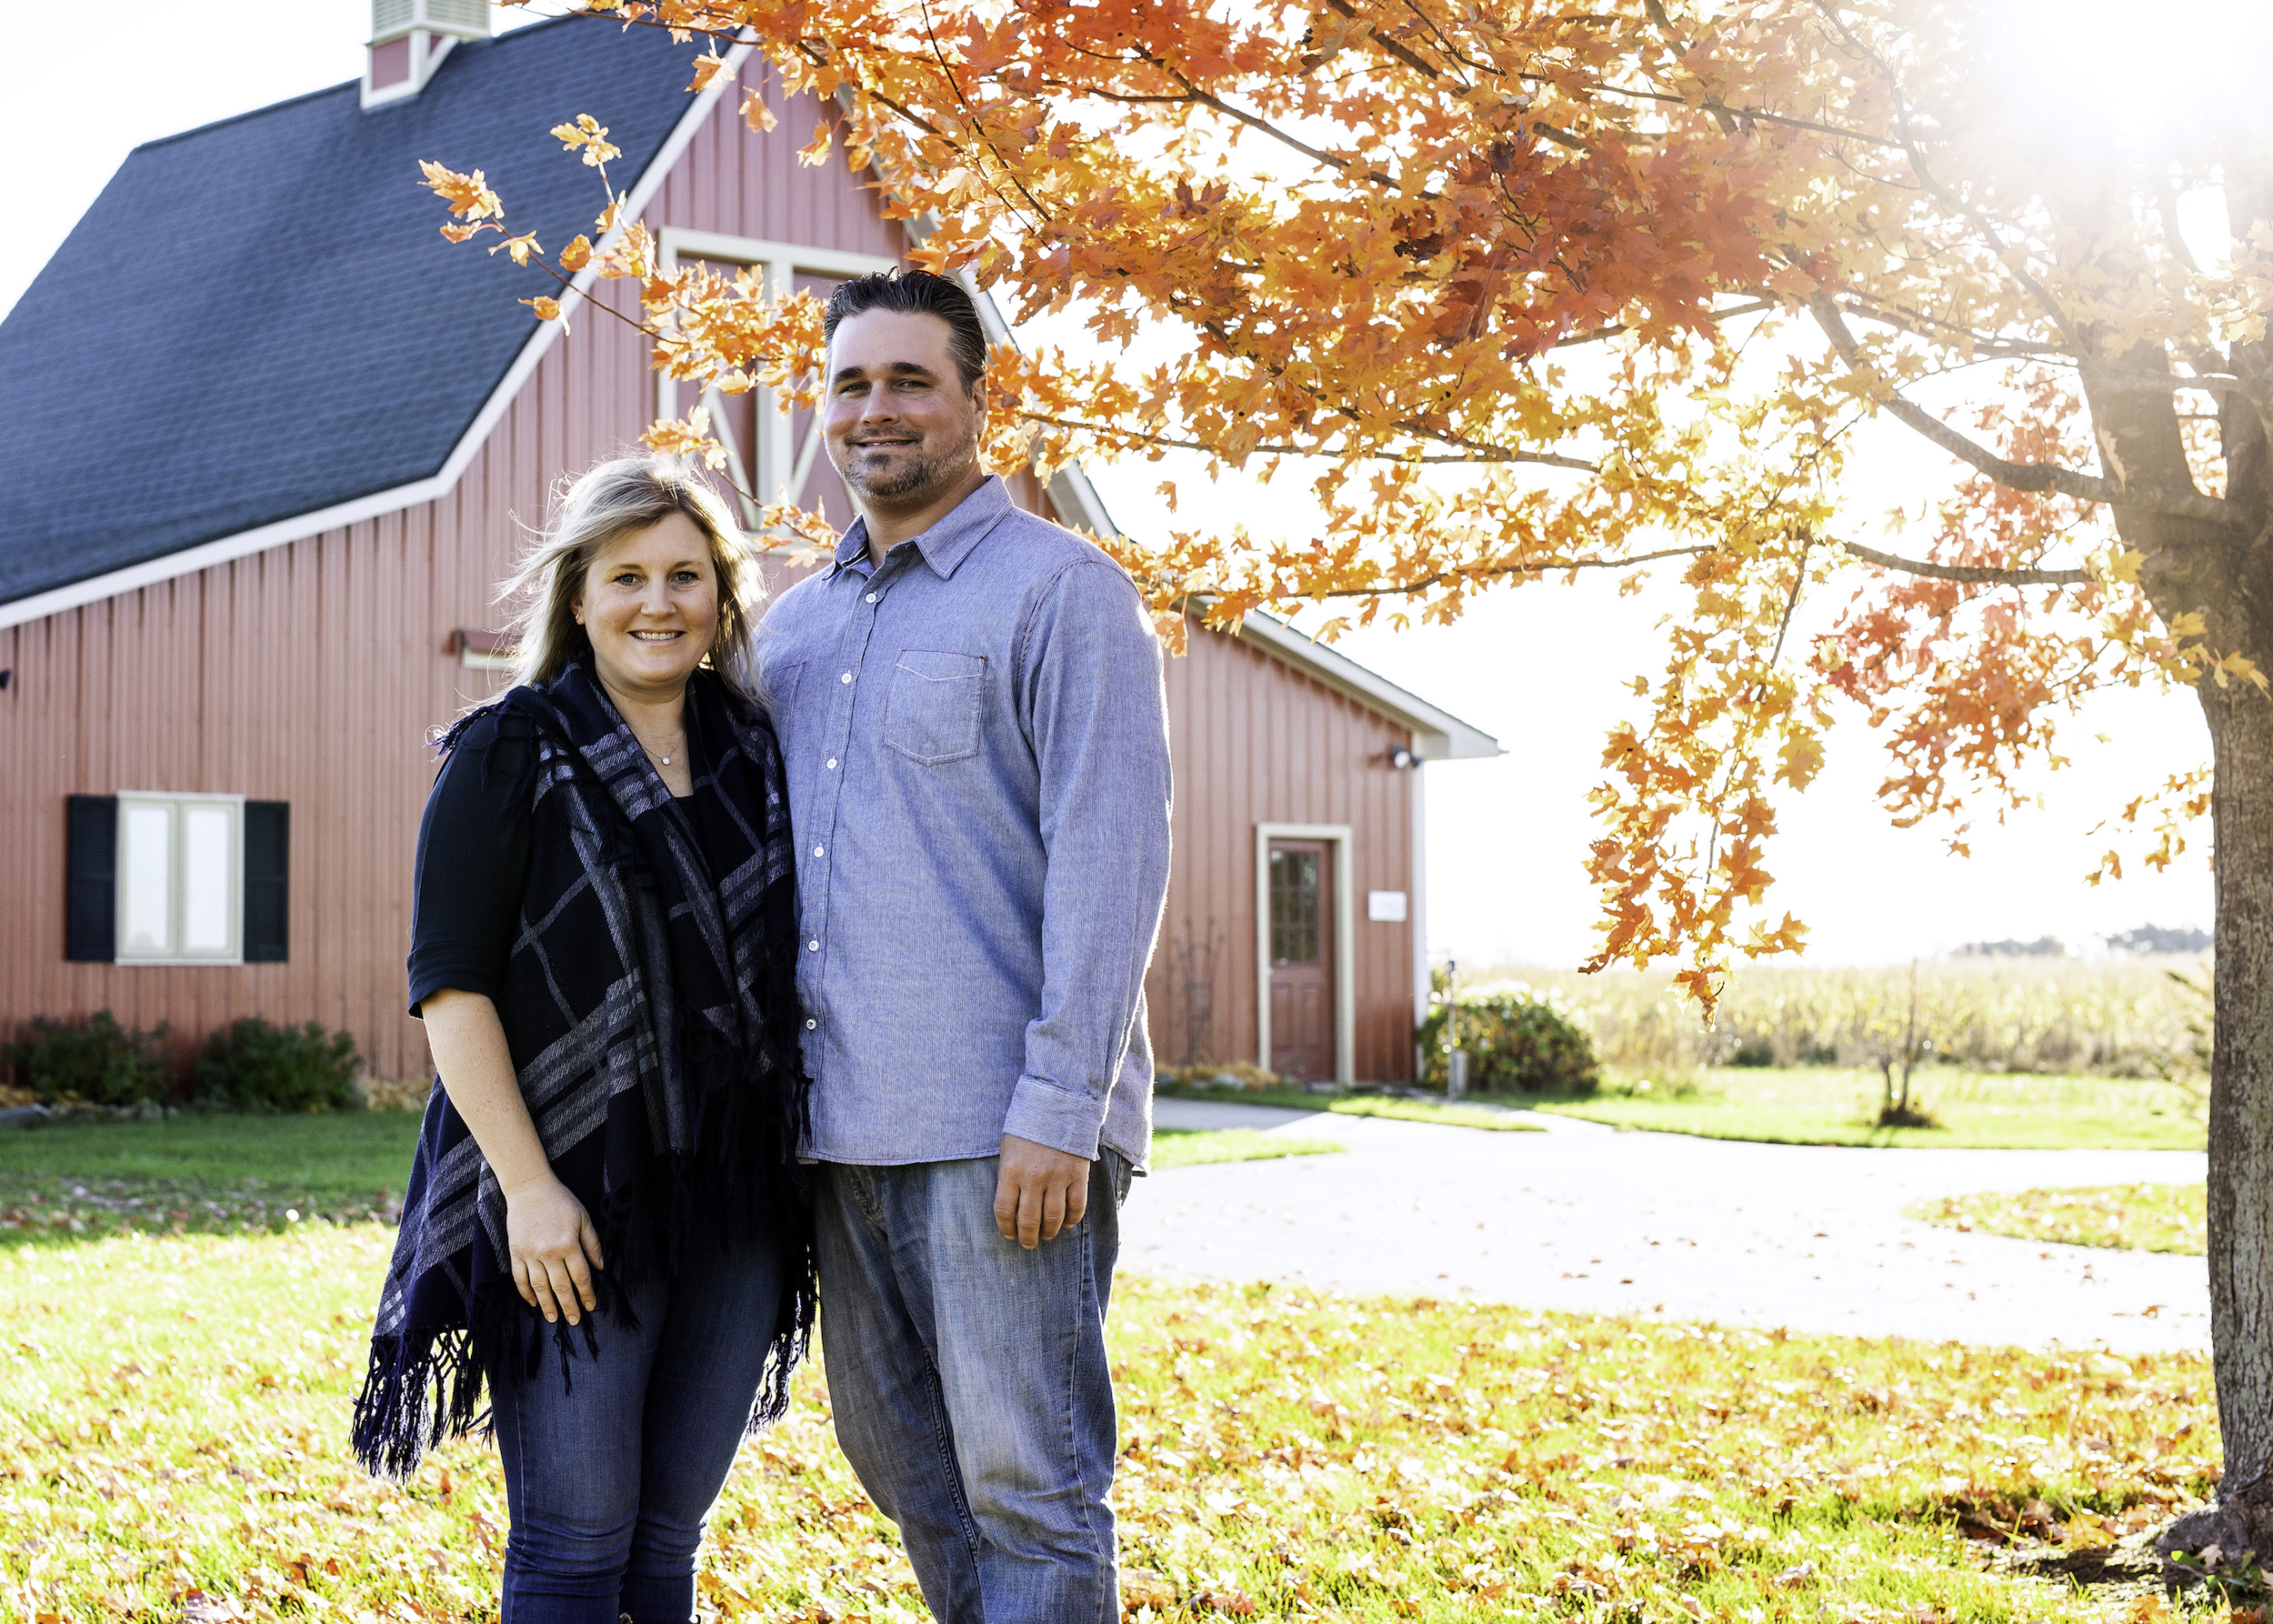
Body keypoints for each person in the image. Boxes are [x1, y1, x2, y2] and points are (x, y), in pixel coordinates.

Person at [756, 268, 1174, 1623]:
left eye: (911, 381)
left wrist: (1063, 1107)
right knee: (902, 1463)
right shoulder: (795, 626)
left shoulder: (1065, 594)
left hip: (1006, 1135)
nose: (876, 410)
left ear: (979, 403)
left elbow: (1115, 865)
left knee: (1028, 1482)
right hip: (840, 1131)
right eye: (850, 383)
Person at [352, 457, 814, 1624]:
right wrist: (528, 1191)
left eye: (685, 576)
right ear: (576, 596)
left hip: (737, 1194)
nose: (656, 602)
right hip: (569, 1193)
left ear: (722, 597)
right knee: (573, 1543)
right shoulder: (509, 748)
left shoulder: (760, 754)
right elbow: (449, 991)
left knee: (666, 1540)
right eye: (626, 577)